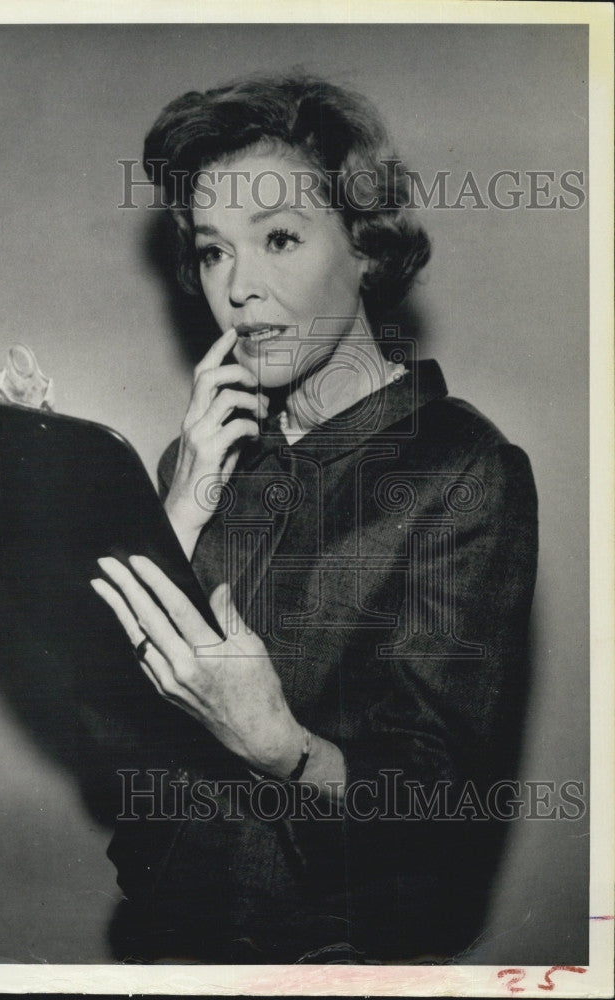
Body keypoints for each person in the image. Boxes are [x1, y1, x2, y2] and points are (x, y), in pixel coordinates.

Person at [89, 73, 538, 964]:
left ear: (366, 248)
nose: (239, 288)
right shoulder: (196, 459)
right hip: (160, 939)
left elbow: (438, 816)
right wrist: (173, 520)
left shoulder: (464, 471)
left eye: (280, 239)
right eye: (213, 252)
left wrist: (279, 747)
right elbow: (107, 735)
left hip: (335, 958)